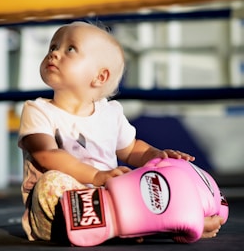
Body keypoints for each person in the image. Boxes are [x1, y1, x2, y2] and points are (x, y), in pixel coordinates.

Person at [18, 21, 224, 242]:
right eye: (53, 47)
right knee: (51, 183)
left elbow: (131, 148)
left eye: (70, 49)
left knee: (149, 185)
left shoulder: (110, 113)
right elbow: (46, 155)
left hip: (112, 199)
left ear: (100, 77)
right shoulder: (38, 110)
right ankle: (146, 227)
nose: (55, 53)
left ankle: (175, 221)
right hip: (60, 211)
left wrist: (154, 156)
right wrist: (96, 176)